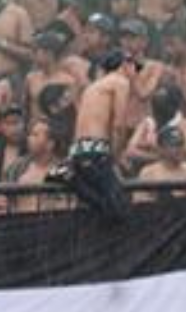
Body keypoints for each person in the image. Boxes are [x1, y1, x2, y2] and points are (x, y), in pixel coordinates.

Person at [48, 50, 139, 220]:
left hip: (81, 150)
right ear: (125, 65)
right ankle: (71, 178)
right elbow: (119, 125)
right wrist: (117, 156)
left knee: (104, 209)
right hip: (96, 151)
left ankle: (70, 176)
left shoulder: (93, 87)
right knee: (118, 210)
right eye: (135, 66)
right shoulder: (120, 82)